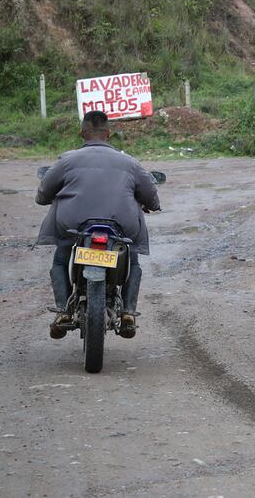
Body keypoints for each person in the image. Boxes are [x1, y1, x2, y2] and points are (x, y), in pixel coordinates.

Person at [35, 111, 160, 339]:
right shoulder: (130, 162)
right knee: (132, 259)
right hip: (120, 227)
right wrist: (152, 205)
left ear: (82, 133)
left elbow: (43, 193)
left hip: (74, 226)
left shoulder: (67, 160)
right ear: (108, 134)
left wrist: (47, 198)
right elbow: (150, 194)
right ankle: (128, 313)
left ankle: (63, 310)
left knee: (61, 259)